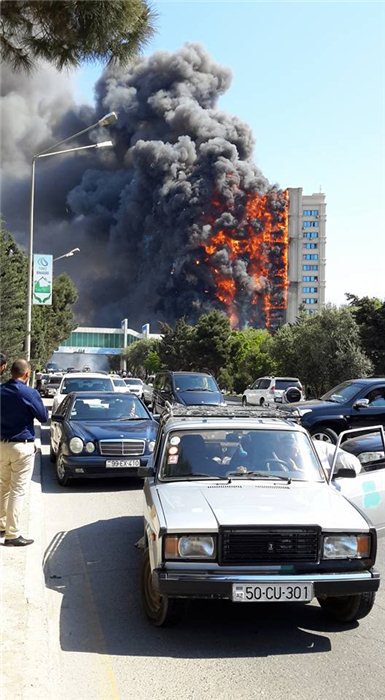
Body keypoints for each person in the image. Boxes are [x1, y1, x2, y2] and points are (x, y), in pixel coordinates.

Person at [0, 359, 48, 546]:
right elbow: (43, 417)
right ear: (27, 374)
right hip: (21, 446)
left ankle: (2, 524)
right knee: (17, 491)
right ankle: (13, 534)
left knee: (3, 487)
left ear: (11, 372)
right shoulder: (29, 392)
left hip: (2, 445)